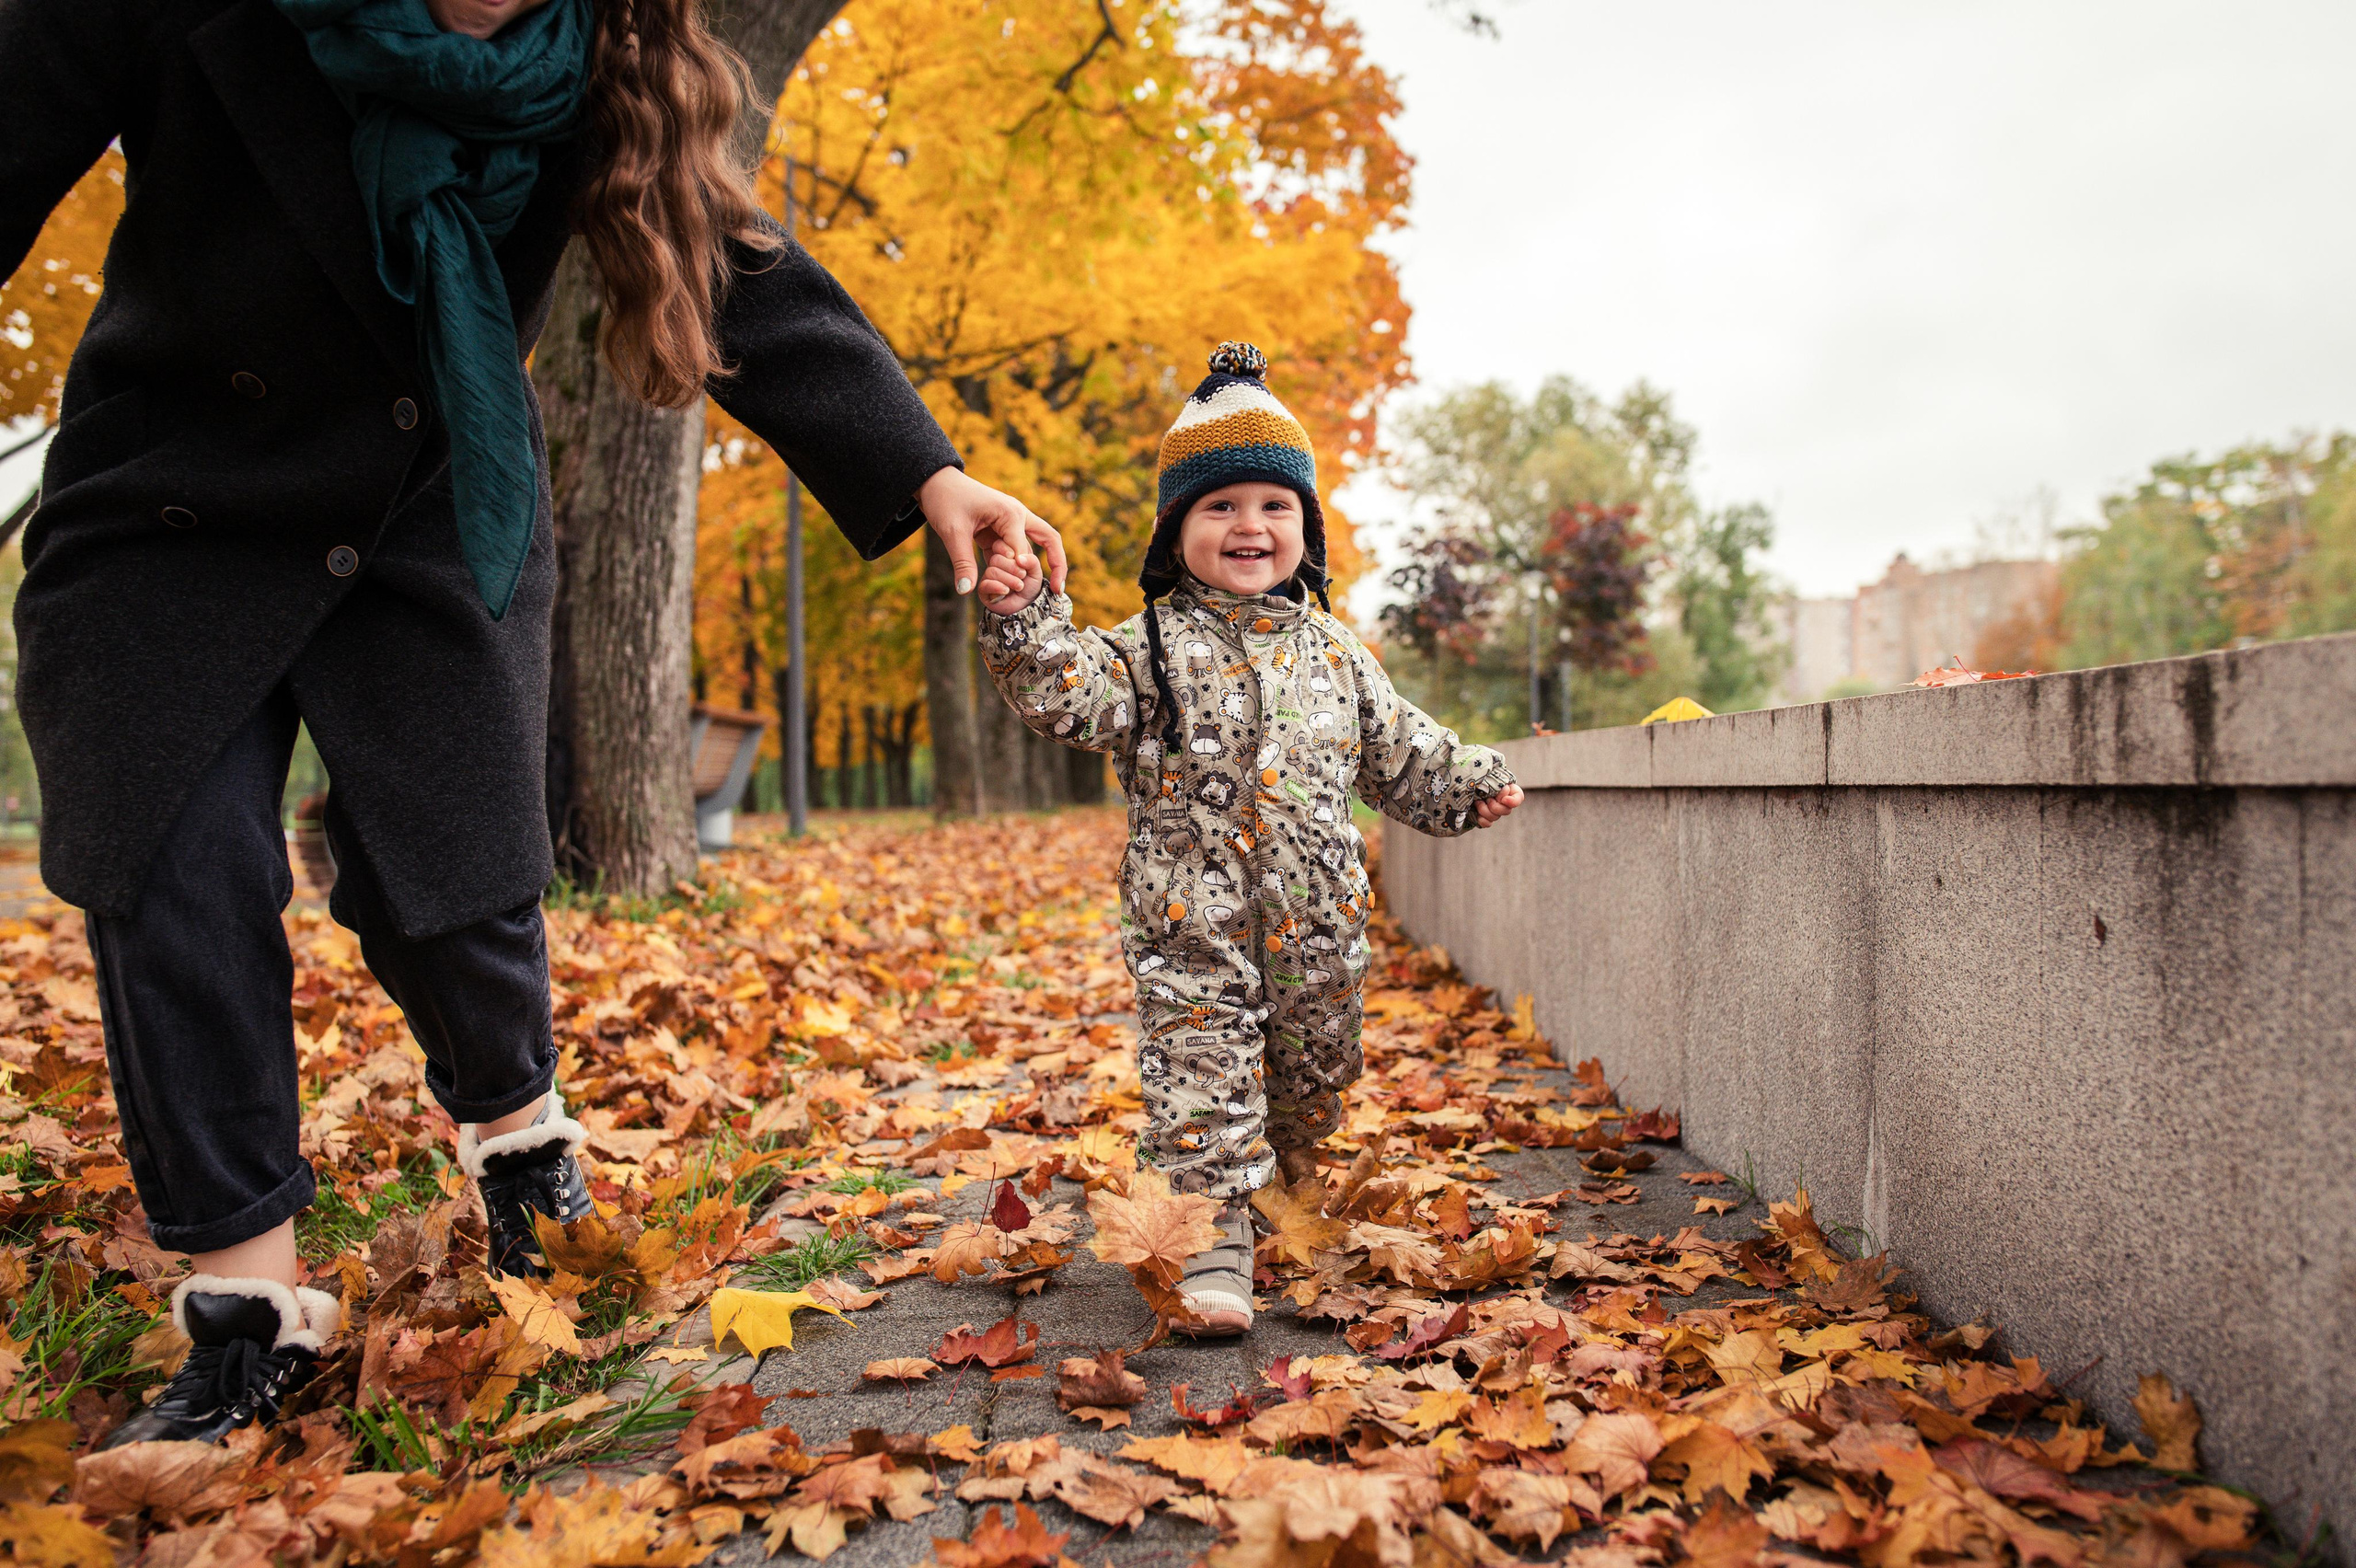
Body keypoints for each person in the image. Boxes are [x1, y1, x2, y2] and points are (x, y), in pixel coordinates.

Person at [0, 0, 1061, 1447]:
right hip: (168, 500)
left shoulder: (598, 65)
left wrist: (928, 473)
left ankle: (518, 1136)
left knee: (448, 885)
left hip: (432, 496)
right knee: (172, 865)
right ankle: (252, 1315)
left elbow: (735, 267)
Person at [975, 342, 1522, 1335]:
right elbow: (1068, 692)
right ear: (1176, 529)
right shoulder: (1144, 650)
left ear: (1303, 529)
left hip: (1321, 937)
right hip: (1194, 931)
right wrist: (1024, 621)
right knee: (1204, 1071)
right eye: (1219, 506)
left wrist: (1462, 785)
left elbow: (1398, 749)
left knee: (1311, 1079)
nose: (1248, 526)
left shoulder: (1335, 655)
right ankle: (1211, 1223)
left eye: (1274, 507)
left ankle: (1278, 1177)